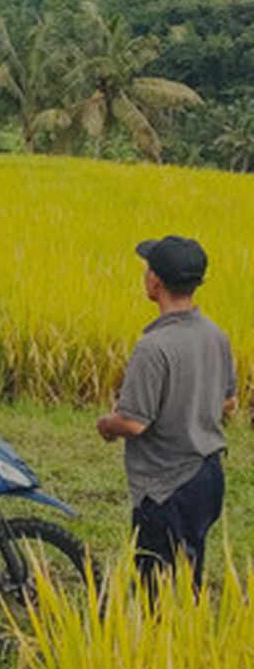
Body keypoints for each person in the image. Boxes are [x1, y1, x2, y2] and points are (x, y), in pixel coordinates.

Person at [96, 236, 236, 593]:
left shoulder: (154, 347)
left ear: (155, 282)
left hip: (166, 486)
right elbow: (228, 403)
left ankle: (160, 646)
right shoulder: (216, 335)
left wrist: (107, 425)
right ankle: (186, 640)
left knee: (153, 588)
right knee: (189, 577)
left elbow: (134, 422)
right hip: (207, 476)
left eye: (147, 270)